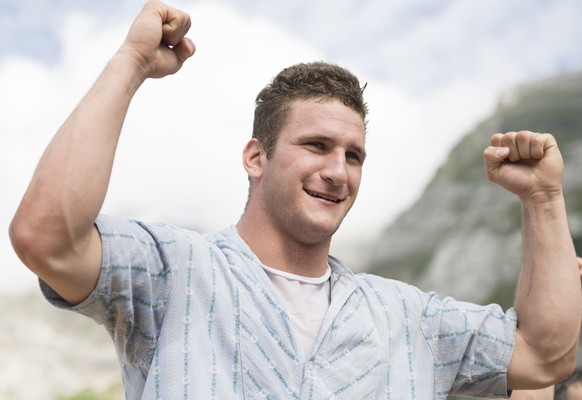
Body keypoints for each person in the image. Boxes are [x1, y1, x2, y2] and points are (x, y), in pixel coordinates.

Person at [9, 1, 581, 399]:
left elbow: (543, 355)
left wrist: (544, 197)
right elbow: (45, 236)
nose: (338, 171)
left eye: (354, 156)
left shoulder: (411, 320)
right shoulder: (171, 270)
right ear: (256, 157)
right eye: (316, 146)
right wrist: (131, 63)